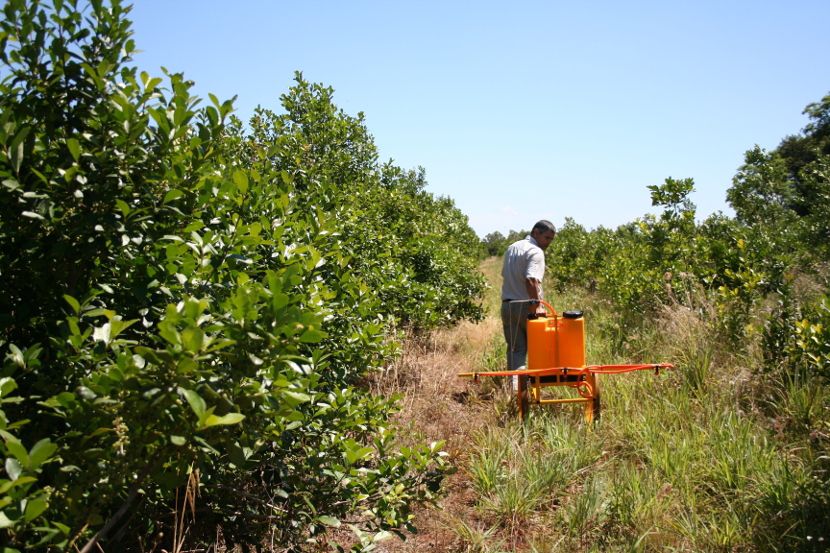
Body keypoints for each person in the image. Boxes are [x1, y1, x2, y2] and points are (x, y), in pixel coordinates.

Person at [500, 220, 556, 388]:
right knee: (540, 349)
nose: (548, 243)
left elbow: (505, 274)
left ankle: (516, 391)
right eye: (547, 237)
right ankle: (536, 387)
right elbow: (531, 279)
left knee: (515, 350)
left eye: (551, 239)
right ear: (536, 232)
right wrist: (536, 306)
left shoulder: (512, 248)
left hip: (508, 306)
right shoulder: (536, 251)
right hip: (527, 307)